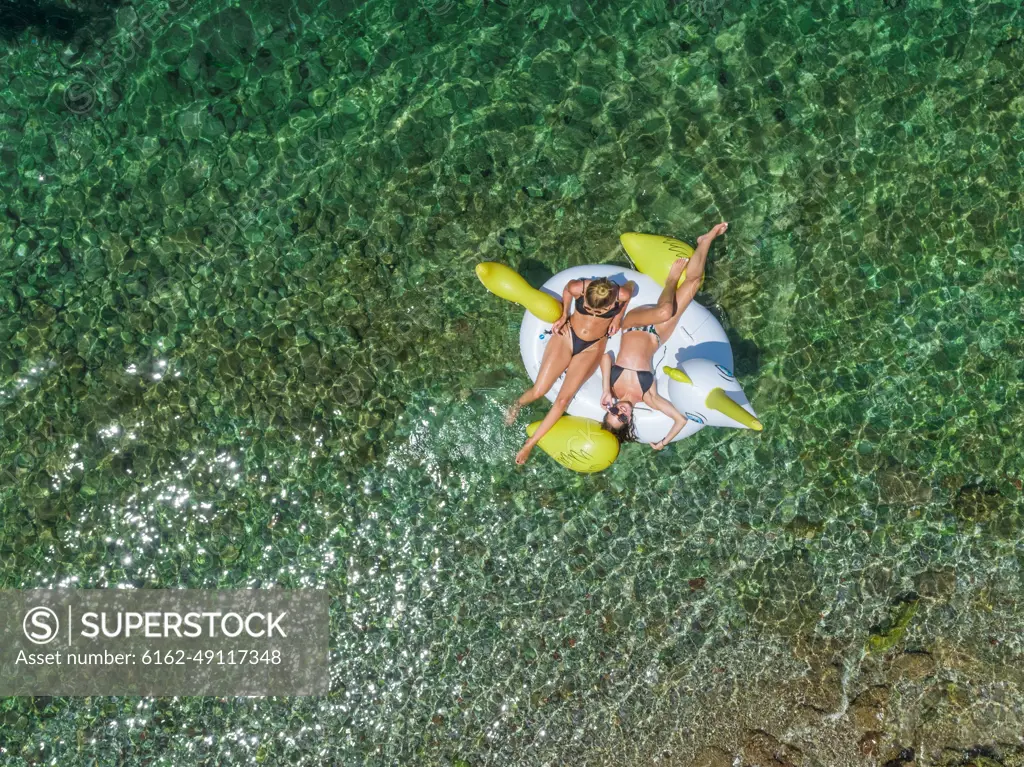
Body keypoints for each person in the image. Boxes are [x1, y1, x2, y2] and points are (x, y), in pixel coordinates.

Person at [600, 222, 729, 449]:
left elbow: (606, 358)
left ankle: (671, 279)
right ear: (629, 421)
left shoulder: (611, 389)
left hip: (633, 323)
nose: (619, 411)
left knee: (665, 311)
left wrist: (605, 390)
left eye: (612, 412)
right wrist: (663, 442)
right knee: (694, 283)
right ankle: (705, 240)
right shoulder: (648, 397)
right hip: (659, 333)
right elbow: (680, 419)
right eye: (621, 418)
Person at [507, 275, 634, 464]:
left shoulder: (619, 294)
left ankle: (530, 443)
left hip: (592, 346)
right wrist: (565, 313)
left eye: (598, 311)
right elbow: (567, 289)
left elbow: (629, 291)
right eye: (587, 308)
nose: (591, 312)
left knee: (563, 400)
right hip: (567, 336)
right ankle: (516, 405)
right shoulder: (578, 287)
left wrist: (617, 316)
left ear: (609, 306)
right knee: (539, 391)